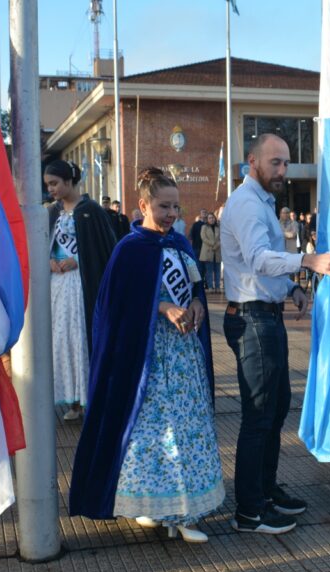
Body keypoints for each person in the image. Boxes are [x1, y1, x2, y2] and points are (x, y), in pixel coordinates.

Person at [69, 167, 222, 544]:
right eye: (163, 206)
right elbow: (116, 305)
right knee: (155, 433)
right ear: (143, 205)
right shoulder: (130, 249)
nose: (171, 213)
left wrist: (198, 305)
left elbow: (196, 287)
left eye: (176, 206)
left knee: (187, 429)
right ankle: (157, 506)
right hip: (146, 359)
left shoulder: (181, 244)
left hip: (183, 356)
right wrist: (162, 307)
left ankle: (183, 511)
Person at [220, 133, 330, 534]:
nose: (282, 170)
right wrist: (308, 260)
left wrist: (291, 288)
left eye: (286, 162)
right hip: (253, 319)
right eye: (275, 162)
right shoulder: (246, 203)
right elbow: (258, 259)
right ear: (252, 161)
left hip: (264, 315)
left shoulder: (262, 201)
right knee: (259, 416)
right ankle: (249, 511)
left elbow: (259, 265)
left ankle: (265, 491)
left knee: (274, 411)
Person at [44, 160, 117, 421]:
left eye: (54, 183)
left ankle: (89, 399)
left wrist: (78, 259)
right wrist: (49, 261)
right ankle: (72, 400)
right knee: (61, 341)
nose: (51, 189)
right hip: (58, 285)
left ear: (69, 181)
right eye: (48, 185)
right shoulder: (52, 212)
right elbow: (44, 244)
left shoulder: (91, 210)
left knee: (81, 339)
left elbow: (105, 249)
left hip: (82, 286)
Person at [200, 212, 222, 292]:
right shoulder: (204, 227)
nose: (211, 219)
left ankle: (217, 287)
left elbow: (221, 237)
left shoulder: (218, 227)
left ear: (215, 219)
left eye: (212, 218)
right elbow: (203, 238)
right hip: (208, 251)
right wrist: (213, 244)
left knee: (217, 271)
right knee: (209, 271)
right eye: (210, 218)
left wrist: (217, 245)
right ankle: (210, 287)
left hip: (217, 251)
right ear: (207, 219)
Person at [190, 208, 209, 285]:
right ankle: (199, 284)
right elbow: (191, 236)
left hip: (206, 249)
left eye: (205, 212)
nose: (204, 214)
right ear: (200, 214)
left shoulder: (208, 225)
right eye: (203, 212)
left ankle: (206, 283)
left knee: (206, 268)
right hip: (197, 248)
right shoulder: (195, 224)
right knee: (199, 267)